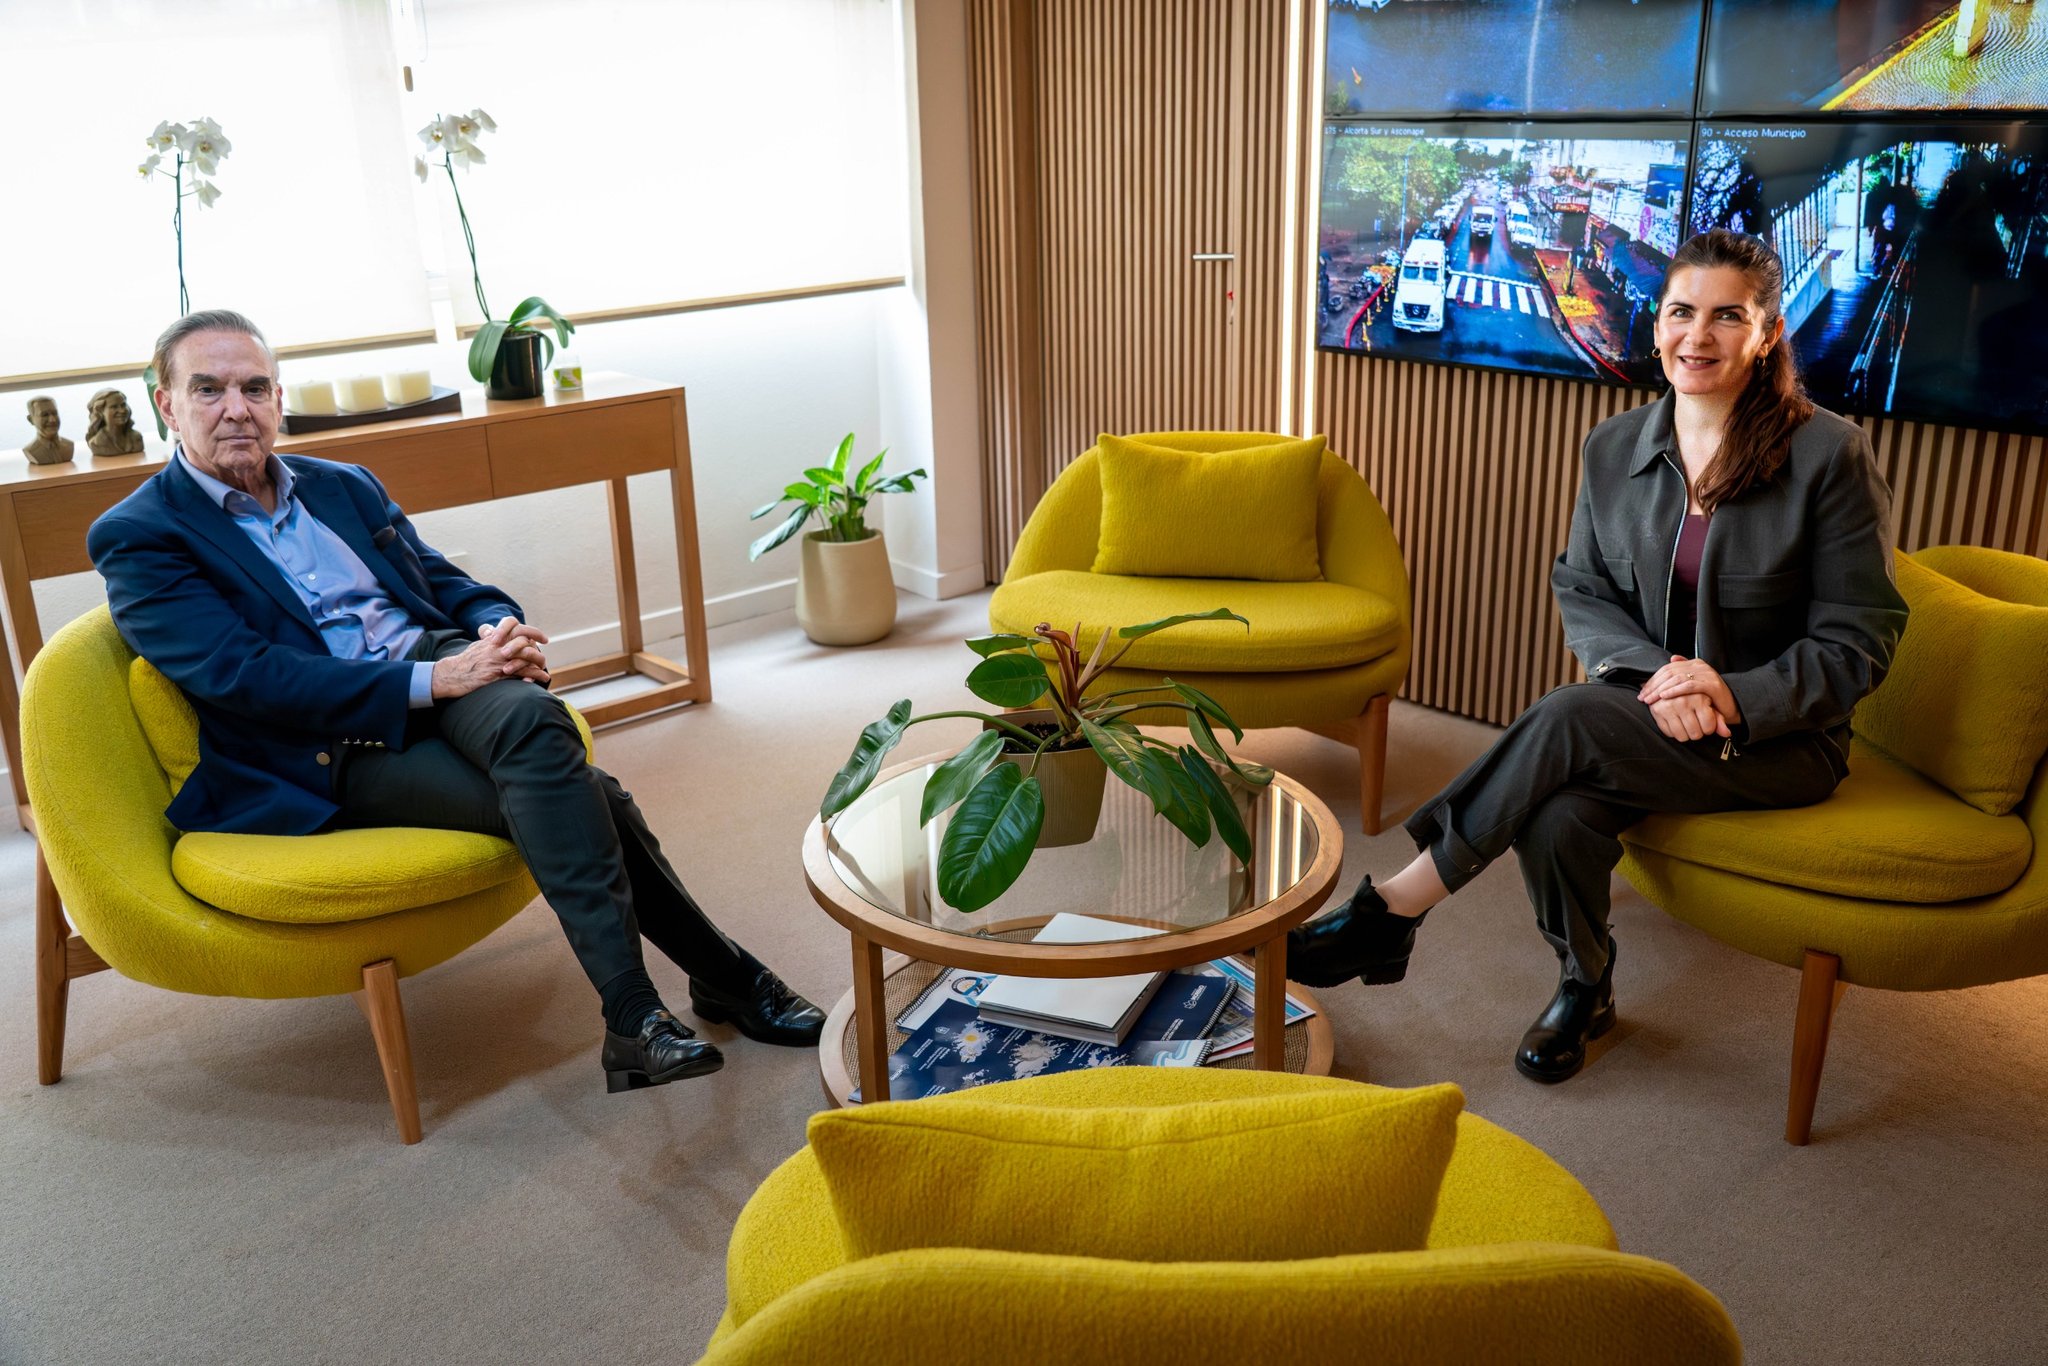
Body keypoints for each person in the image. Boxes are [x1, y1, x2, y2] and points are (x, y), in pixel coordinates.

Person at [88, 309, 825, 1096]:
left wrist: (493, 628)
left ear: (278, 397)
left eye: (254, 386)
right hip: (325, 747)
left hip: (439, 667)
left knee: (532, 720)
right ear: (167, 405)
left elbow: (442, 583)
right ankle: (705, 984)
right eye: (208, 389)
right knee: (585, 792)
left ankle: (638, 1021)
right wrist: (437, 682)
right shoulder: (140, 534)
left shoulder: (341, 485)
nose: (236, 407)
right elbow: (246, 675)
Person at [1287, 230, 1908, 1083]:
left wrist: (1729, 691)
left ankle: (1395, 908)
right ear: (1656, 326)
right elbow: (1582, 589)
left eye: (1729, 317)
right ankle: (1587, 984)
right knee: (1557, 810)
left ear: (1767, 335)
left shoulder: (1828, 454)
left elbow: (1860, 639)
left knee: (1569, 713)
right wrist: (1661, 678)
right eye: (1683, 312)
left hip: (1779, 741)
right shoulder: (1612, 448)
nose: (1699, 336)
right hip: (1646, 713)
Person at [86, 387, 147, 457]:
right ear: (101, 412)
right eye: (114, 407)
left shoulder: (137, 438)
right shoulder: (96, 443)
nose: (122, 410)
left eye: (123, 405)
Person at [23, 395, 74, 465]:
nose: (52, 420)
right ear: (31, 420)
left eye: (55, 413)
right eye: (44, 415)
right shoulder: (31, 450)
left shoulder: (69, 445)